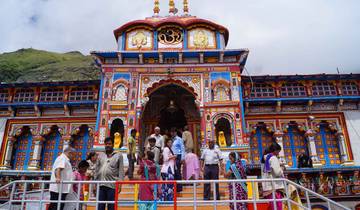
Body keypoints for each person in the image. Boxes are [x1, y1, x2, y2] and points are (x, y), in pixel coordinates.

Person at [96, 137, 125, 210]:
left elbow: (121, 170)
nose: (107, 145)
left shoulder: (118, 155)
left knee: (111, 207)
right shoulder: (101, 155)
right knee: (100, 206)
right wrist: (94, 183)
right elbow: (97, 169)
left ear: (113, 145)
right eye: (106, 144)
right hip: (101, 184)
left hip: (112, 185)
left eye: (109, 144)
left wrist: (120, 184)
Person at [49, 146, 76, 210]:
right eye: (73, 155)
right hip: (59, 189)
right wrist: (58, 178)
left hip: (62, 189)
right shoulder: (62, 158)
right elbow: (58, 169)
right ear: (69, 153)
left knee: (56, 205)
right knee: (56, 206)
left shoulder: (64, 159)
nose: (73, 157)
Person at [261, 142, 284, 210]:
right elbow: (277, 172)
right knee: (277, 206)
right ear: (275, 150)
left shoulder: (264, 158)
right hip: (274, 186)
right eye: (278, 151)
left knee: (271, 206)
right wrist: (282, 169)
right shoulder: (273, 158)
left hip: (267, 186)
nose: (278, 153)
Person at [170, 127, 185, 192]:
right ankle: (174, 187)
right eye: (171, 132)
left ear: (176, 132)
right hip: (172, 157)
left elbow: (182, 148)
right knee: (172, 172)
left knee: (177, 172)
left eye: (174, 132)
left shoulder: (179, 139)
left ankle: (179, 188)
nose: (172, 133)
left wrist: (182, 158)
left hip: (178, 156)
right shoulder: (171, 140)